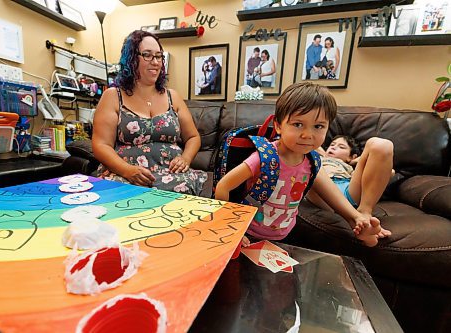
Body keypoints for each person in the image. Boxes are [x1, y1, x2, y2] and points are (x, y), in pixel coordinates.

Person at [215, 82, 381, 247]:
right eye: (298, 124)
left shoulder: (312, 161)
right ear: (279, 126)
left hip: (286, 234)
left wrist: (358, 219)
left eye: (318, 126)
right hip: (249, 234)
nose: (307, 134)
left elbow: (332, 197)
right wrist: (232, 229)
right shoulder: (265, 157)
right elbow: (223, 186)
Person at [92, 30, 207, 195]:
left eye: (159, 56)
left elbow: (193, 137)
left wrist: (185, 159)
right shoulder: (113, 96)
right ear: (131, 59)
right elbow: (101, 144)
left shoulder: (172, 96)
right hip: (127, 175)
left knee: (183, 190)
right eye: (147, 55)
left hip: (172, 176)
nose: (155, 62)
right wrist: (127, 170)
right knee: (121, 194)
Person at [307, 135, 393, 238]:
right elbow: (308, 139)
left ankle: (364, 213)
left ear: (352, 156)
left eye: (341, 147)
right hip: (319, 191)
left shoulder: (349, 167)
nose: (334, 147)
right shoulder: (316, 157)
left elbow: (390, 172)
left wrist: (353, 162)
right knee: (308, 160)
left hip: (348, 189)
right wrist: (324, 155)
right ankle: (355, 219)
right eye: (332, 145)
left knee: (382, 145)